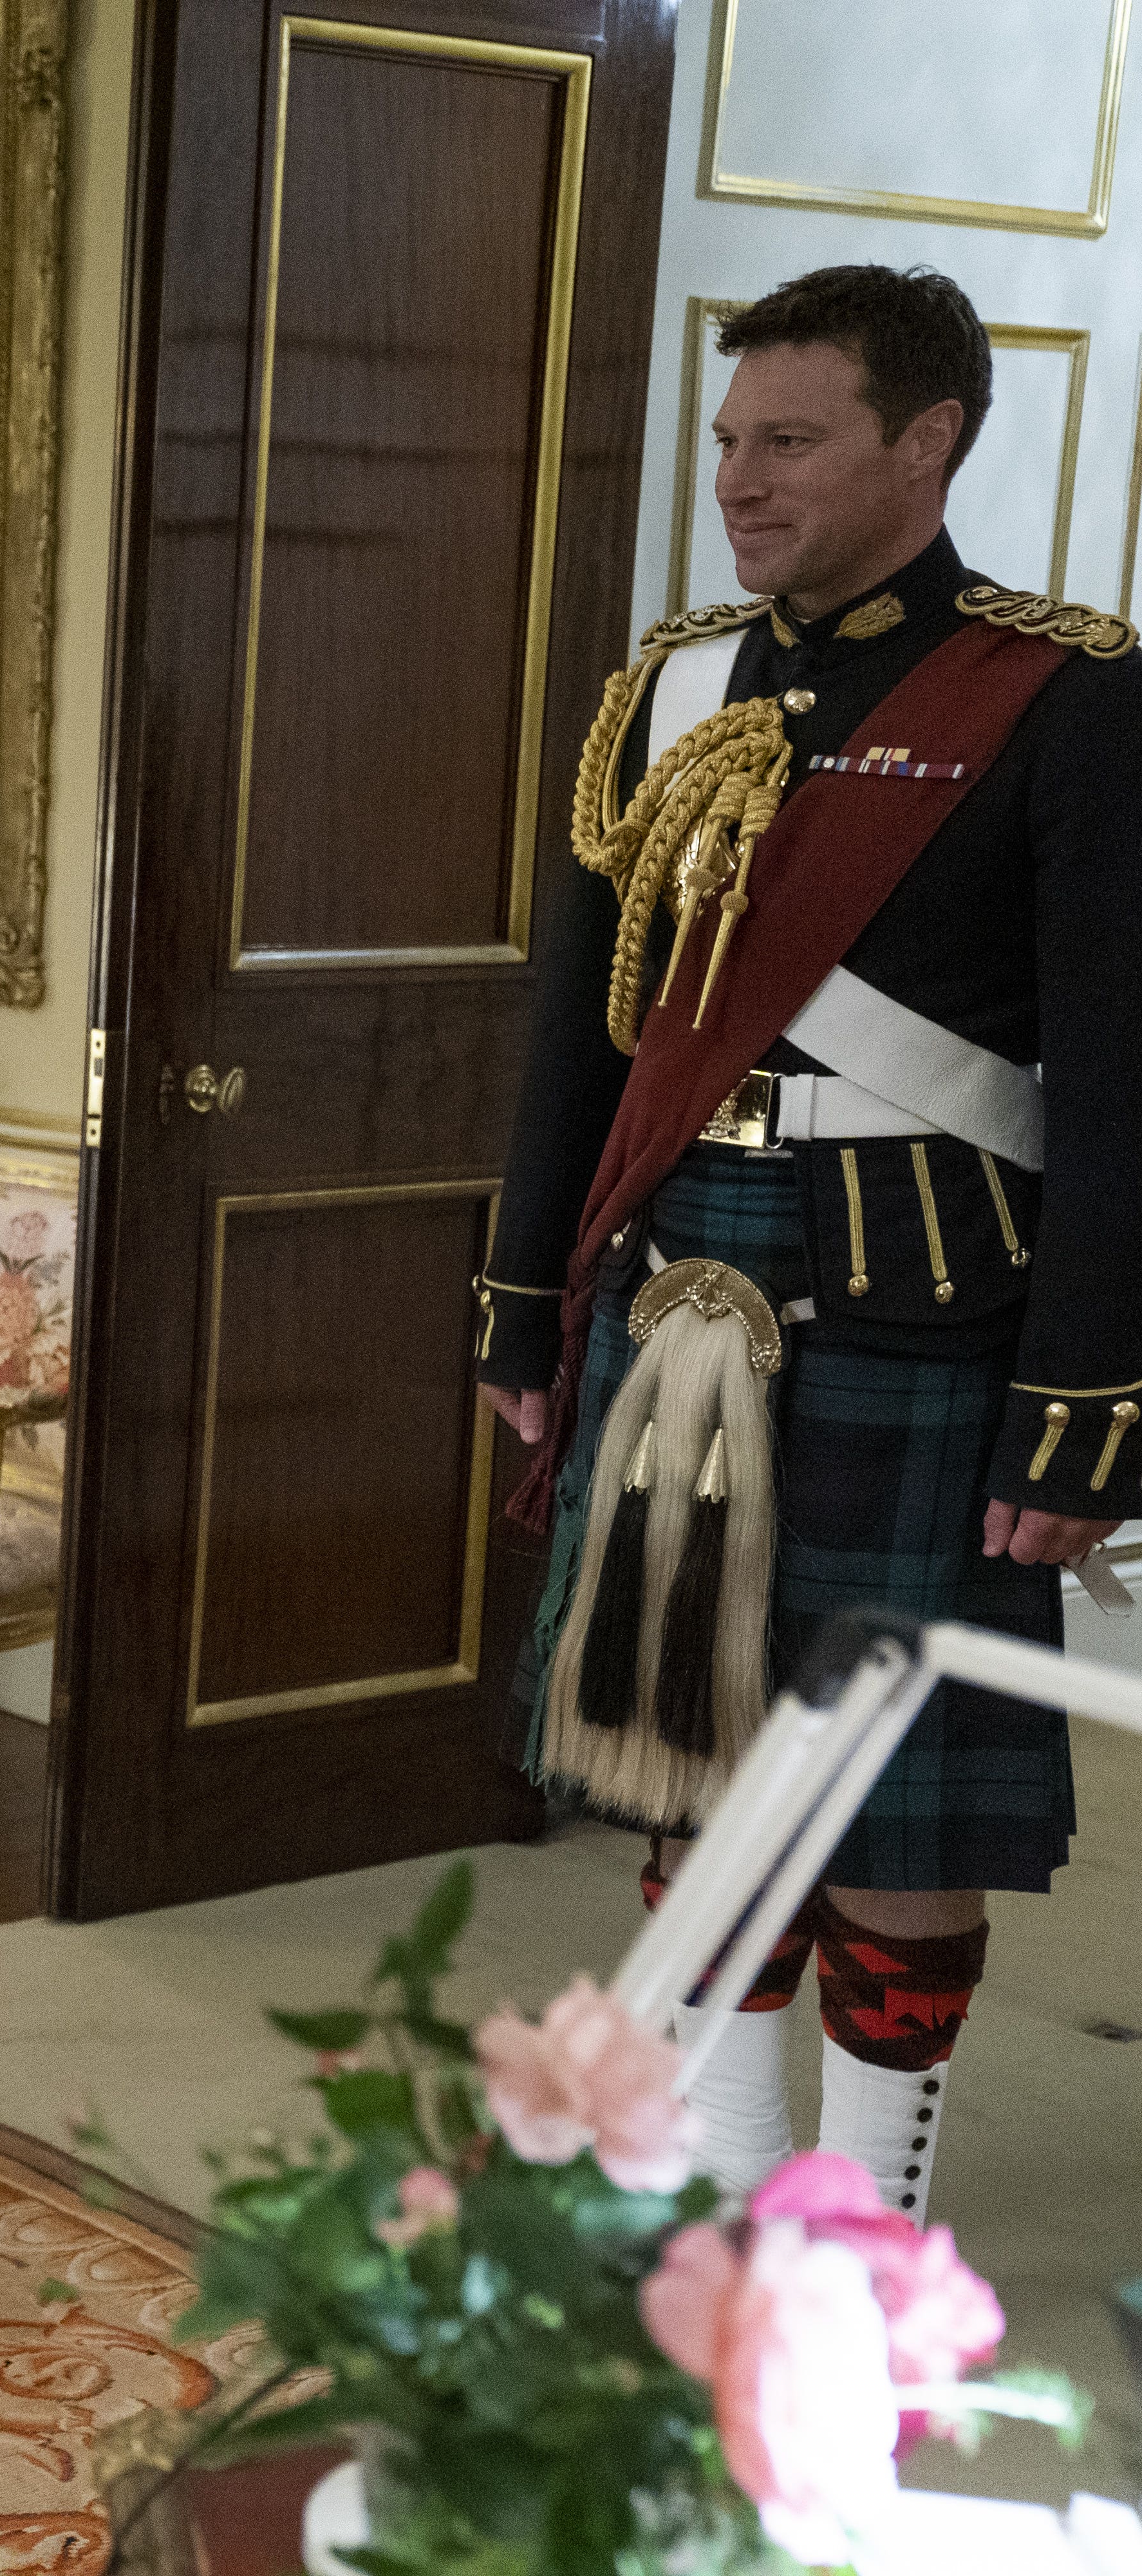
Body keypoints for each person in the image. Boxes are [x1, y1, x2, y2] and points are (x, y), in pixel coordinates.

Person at [478, 265, 1136, 2220]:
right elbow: (574, 1024)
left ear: (923, 442)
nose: (736, 481)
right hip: (678, 1281)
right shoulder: (670, 685)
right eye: (725, 439)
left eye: (787, 440)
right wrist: (525, 1298)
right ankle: (731, 2162)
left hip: (920, 1304)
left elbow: (1114, 1074)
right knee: (689, 1749)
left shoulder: (1064, 699)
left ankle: (859, 2215)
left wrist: (1080, 1413)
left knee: (890, 1793)